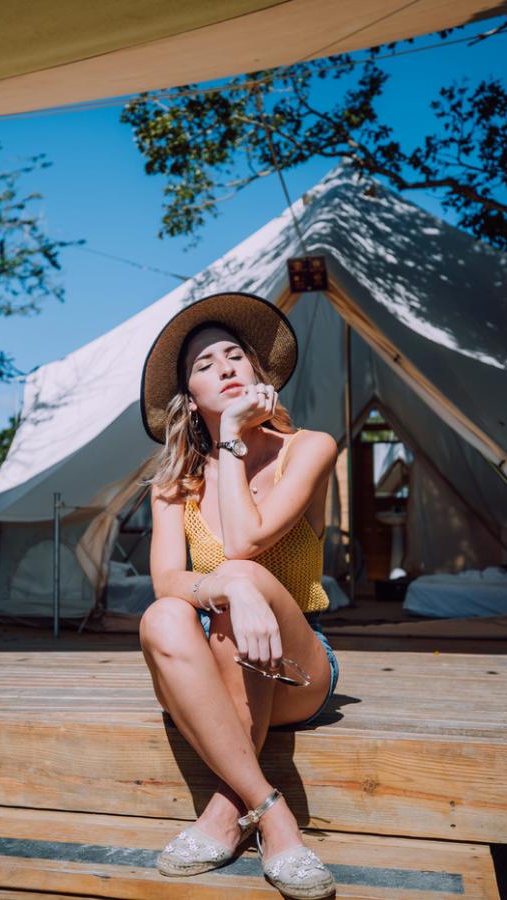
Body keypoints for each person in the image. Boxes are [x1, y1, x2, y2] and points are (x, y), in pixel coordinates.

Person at [137, 291, 340, 899]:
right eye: (204, 365)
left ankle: (225, 815)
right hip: (215, 659)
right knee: (163, 618)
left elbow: (247, 542)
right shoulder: (173, 485)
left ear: (258, 374)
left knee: (243, 579)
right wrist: (224, 585)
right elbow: (167, 581)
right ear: (190, 398)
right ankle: (273, 815)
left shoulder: (309, 448)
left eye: (235, 357)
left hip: (299, 672)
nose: (224, 368)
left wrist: (231, 439)